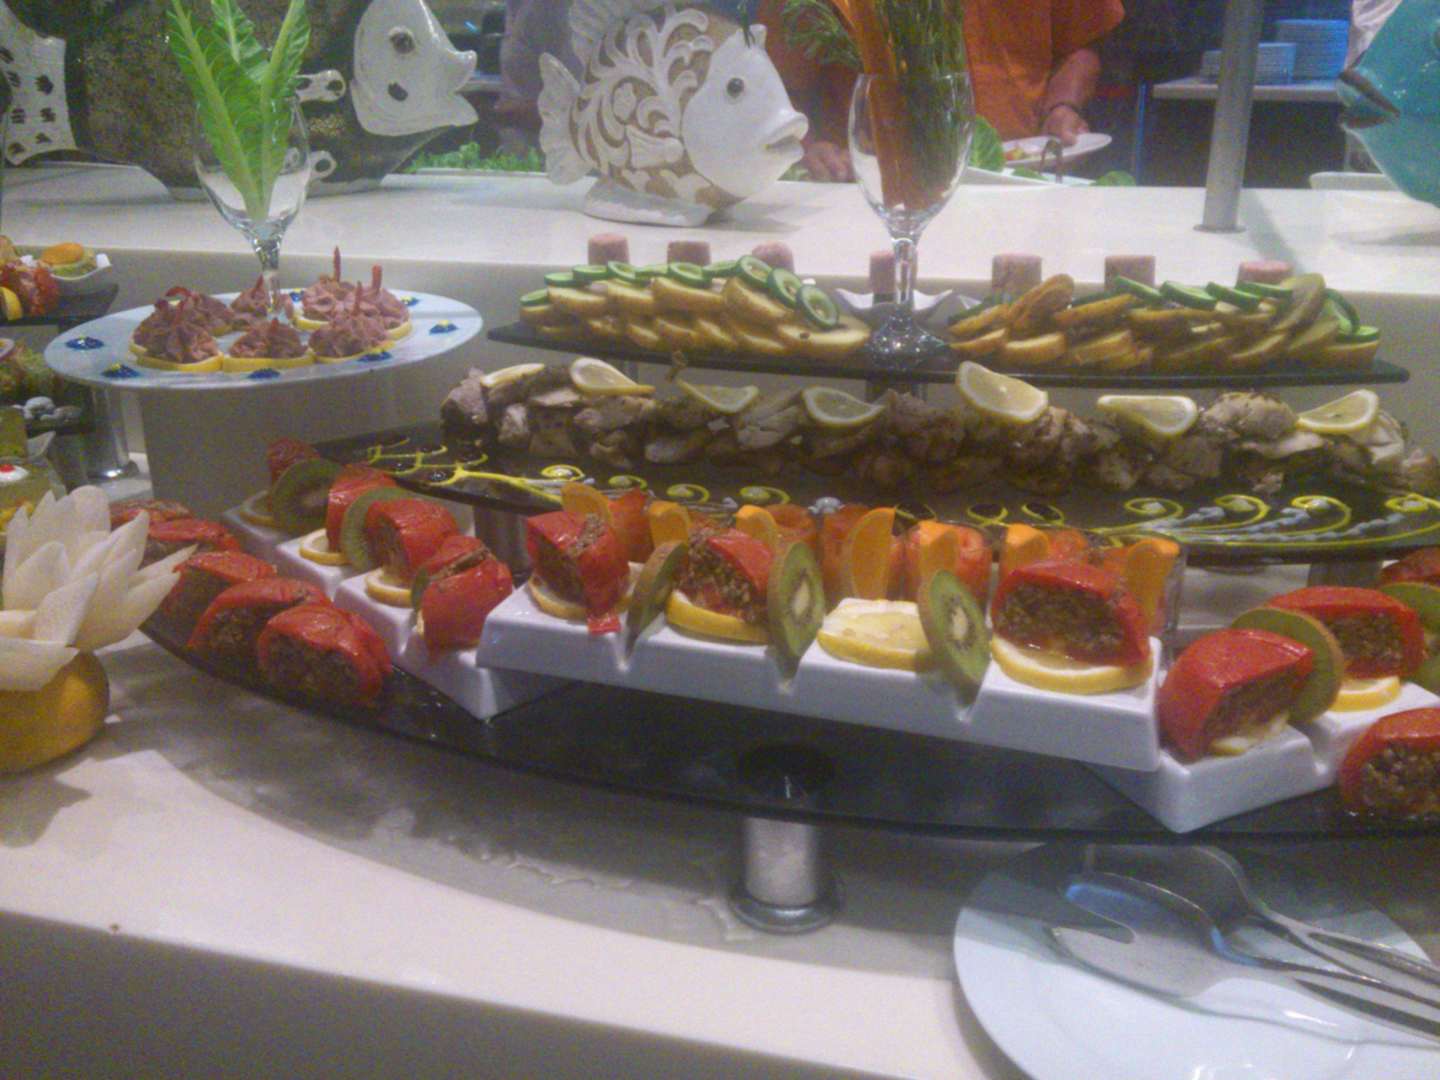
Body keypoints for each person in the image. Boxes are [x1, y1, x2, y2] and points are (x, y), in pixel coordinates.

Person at [760, 0, 1125, 182]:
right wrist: (808, 147)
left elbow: (1084, 43)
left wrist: (1062, 107)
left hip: (1021, 180)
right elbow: (771, 82)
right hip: (869, 192)